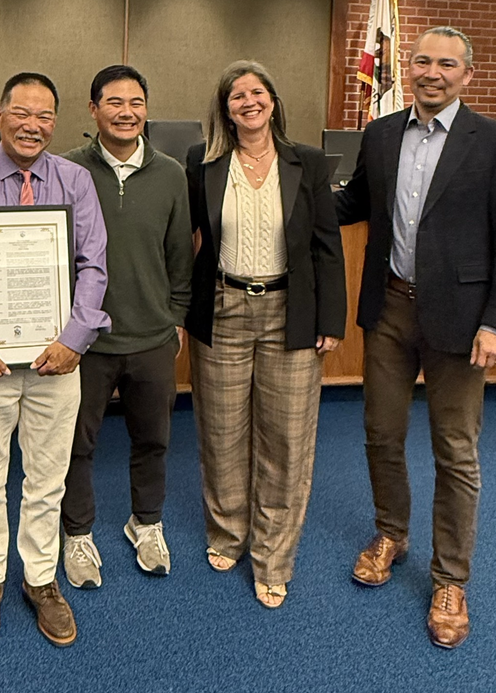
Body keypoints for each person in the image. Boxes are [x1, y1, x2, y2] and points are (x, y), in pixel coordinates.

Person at [336, 26, 496, 648]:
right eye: (421, 60)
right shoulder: (381, 133)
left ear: (466, 75)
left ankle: (450, 577)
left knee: (456, 450)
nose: (431, 71)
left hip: (462, 321)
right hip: (391, 309)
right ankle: (390, 533)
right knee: (381, 432)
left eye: (446, 64)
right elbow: (351, 205)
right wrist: (280, 187)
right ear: (409, 68)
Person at [0, 72, 109, 648]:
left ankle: (39, 579)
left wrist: (75, 338)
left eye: (44, 116)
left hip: (57, 361)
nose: (32, 125)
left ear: (54, 123)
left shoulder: (75, 181)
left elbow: (93, 267)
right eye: (21, 113)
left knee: (47, 477)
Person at [186, 61, 346, 609]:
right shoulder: (204, 163)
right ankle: (228, 532)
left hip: (290, 312)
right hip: (222, 309)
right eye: (236, 96)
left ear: (273, 102)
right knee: (222, 431)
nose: (248, 102)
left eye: (257, 93)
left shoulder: (309, 163)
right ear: (224, 109)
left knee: (286, 440)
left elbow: (327, 244)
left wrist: (330, 320)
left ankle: (273, 557)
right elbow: (186, 238)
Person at [58, 65, 192, 588]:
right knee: (77, 444)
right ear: (93, 111)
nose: (126, 112)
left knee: (153, 439)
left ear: (146, 108)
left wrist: (175, 317)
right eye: (114, 102)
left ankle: (147, 523)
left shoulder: (172, 174)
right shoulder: (67, 171)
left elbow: (181, 256)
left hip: (153, 337)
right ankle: (78, 533)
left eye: (136, 102)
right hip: (86, 341)